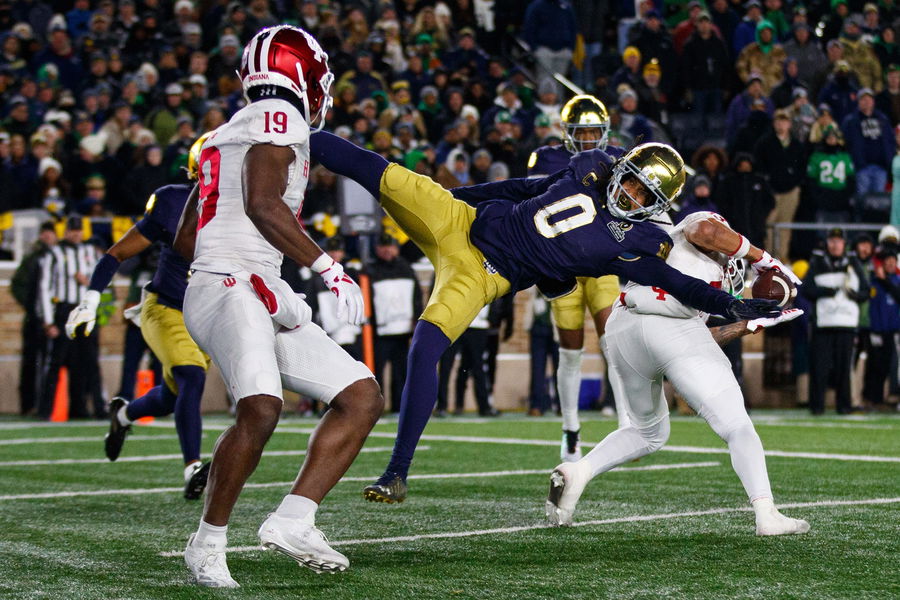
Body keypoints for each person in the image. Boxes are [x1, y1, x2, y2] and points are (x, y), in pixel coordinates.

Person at [308, 128, 784, 505]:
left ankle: (396, 472)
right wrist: (456, 196)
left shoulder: (637, 244)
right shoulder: (590, 167)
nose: (632, 194)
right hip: (459, 221)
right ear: (622, 168)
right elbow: (525, 187)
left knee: (424, 348)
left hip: (483, 275)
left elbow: (678, 283)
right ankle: (285, 134)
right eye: (632, 180)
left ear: (658, 206)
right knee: (375, 169)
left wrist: (732, 306)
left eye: (645, 193)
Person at [172, 26, 383, 588]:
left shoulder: (226, 130)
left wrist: (252, 271)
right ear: (302, 75)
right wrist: (327, 266)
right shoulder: (280, 117)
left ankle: (294, 519)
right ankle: (206, 543)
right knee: (262, 408)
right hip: (230, 285)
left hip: (245, 283)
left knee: (360, 396)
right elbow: (264, 204)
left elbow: (187, 236)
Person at [545, 210, 809, 536]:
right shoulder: (697, 231)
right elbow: (705, 230)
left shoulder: (683, 259)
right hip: (670, 328)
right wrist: (763, 257)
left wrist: (746, 326)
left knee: (648, 432)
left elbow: (693, 338)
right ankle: (766, 514)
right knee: (737, 426)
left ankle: (577, 472)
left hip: (625, 326)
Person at [65, 133, 212, 499]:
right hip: (167, 308)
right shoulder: (173, 201)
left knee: (171, 396)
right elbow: (116, 253)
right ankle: (193, 469)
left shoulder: (248, 207)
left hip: (209, 315)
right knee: (192, 377)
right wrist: (90, 300)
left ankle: (123, 415)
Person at [527, 95, 627, 460]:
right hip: (563, 266)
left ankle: (626, 424)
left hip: (602, 262)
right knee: (570, 352)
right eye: (581, 132)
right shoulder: (545, 158)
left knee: (613, 343)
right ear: (567, 132)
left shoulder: (617, 156)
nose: (587, 138)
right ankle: (570, 429)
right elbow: (532, 207)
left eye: (593, 131)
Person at [38, 216, 104, 420]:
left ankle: (93, 409)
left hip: (85, 309)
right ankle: (46, 410)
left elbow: (104, 281)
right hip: (64, 310)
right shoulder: (54, 253)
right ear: (66, 231)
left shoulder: (90, 252)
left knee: (90, 361)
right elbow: (45, 287)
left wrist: (87, 282)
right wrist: (48, 320)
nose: (76, 233)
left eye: (78, 230)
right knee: (56, 361)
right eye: (72, 230)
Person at [801, 228, 870, 415]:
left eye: (838, 241)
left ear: (844, 244)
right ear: (827, 243)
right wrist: (827, 291)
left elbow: (865, 291)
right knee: (819, 367)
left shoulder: (853, 263)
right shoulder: (817, 262)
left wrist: (854, 295)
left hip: (846, 324)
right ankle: (817, 407)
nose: (835, 245)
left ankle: (844, 406)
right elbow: (807, 289)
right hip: (823, 324)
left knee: (843, 368)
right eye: (832, 240)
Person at [368, 233, 422, 413]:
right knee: (376, 373)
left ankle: (399, 408)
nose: (387, 250)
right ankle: (376, 407)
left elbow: (416, 298)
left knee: (401, 372)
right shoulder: (370, 270)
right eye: (383, 246)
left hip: (403, 331)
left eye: (390, 246)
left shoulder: (406, 268)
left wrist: (417, 322)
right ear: (377, 249)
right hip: (379, 332)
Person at [12, 222, 57, 416]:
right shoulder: (31, 259)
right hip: (33, 319)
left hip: (54, 317)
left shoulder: (59, 257)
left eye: (50, 233)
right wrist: (32, 304)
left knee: (50, 362)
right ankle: (28, 404)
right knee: (30, 362)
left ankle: (49, 404)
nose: (47, 236)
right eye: (44, 233)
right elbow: (17, 285)